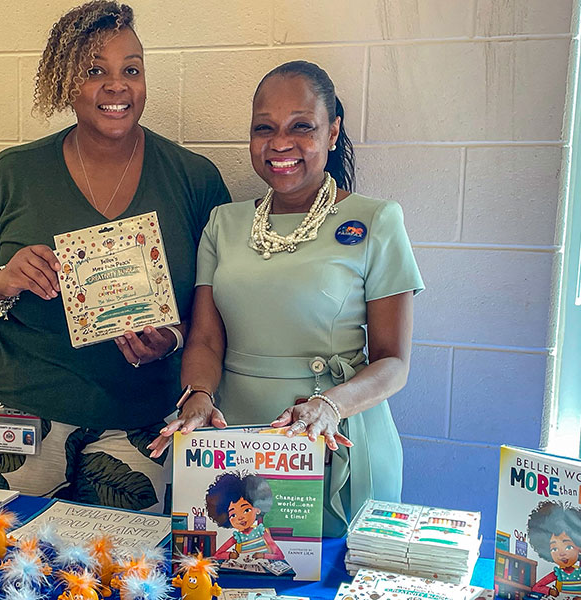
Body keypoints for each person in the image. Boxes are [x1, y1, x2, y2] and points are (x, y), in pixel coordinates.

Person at [0, 1, 230, 514]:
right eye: (96, 70)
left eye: (131, 70)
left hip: (141, 422)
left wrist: (171, 340)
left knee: (125, 574)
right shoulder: (14, 174)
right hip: (18, 412)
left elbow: (216, 310)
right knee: (15, 569)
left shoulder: (194, 179)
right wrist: (2, 281)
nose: (117, 86)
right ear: (67, 82)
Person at [149, 60, 424, 536]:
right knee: (228, 573)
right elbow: (207, 341)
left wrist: (330, 406)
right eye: (264, 128)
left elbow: (394, 362)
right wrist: (196, 395)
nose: (280, 144)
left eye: (302, 127)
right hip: (232, 441)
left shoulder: (377, 221)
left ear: (333, 132)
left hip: (334, 434)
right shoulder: (223, 224)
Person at [205, 471, 284, 561]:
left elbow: (279, 555)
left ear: (257, 509)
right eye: (233, 515)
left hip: (264, 572)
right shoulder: (237, 537)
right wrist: (230, 555)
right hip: (243, 572)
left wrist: (263, 555)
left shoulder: (261, 532)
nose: (240, 517)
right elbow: (217, 555)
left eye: (246, 510)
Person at [528, 501, 581, 598]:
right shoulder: (558, 573)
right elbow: (536, 587)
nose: (562, 554)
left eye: (568, 547)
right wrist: (550, 591)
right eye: (554, 549)